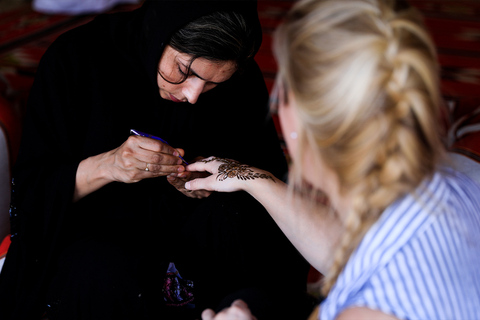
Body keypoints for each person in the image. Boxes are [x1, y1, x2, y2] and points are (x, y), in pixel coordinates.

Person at [0, 1, 312, 319]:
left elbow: (267, 184)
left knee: (238, 231)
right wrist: (106, 166)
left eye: (213, 83)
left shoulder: (240, 81)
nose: (193, 95)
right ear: (162, 33)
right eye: (184, 71)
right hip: (95, 240)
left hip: (192, 239)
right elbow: (32, 196)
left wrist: (208, 184)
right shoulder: (77, 59)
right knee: (101, 269)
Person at [185, 0, 480, 319]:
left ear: (298, 116)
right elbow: (354, 253)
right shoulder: (448, 182)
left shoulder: (367, 313)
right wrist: (254, 179)